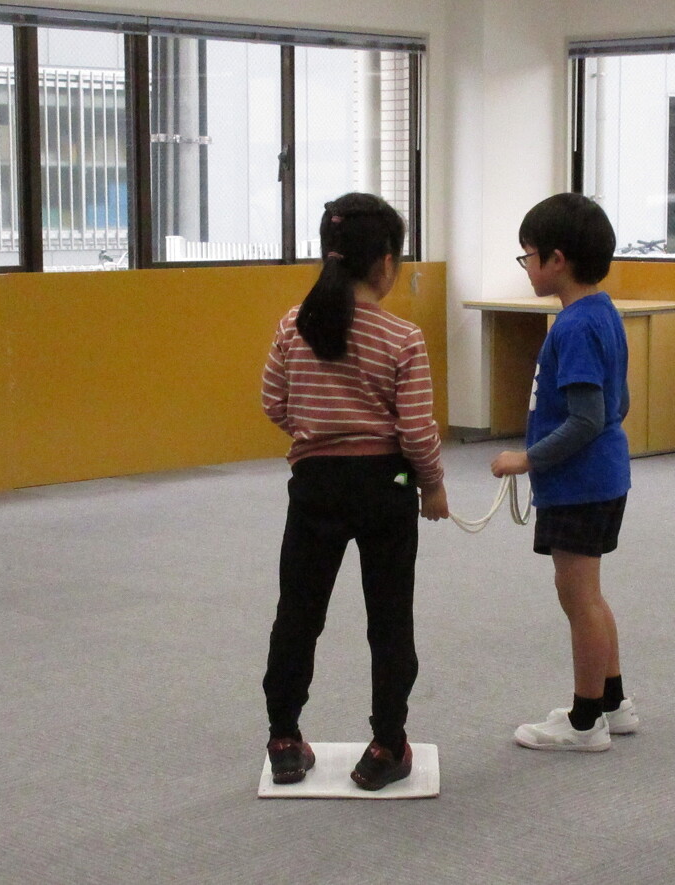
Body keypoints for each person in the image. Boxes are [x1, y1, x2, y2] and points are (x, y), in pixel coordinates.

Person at [261, 192, 449, 789]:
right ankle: (387, 747)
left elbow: (273, 403)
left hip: (313, 485)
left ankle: (284, 739)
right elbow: (416, 430)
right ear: (386, 263)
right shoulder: (402, 337)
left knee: (298, 613)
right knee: (389, 619)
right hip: (386, 486)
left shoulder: (293, 325)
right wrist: (433, 487)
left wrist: (317, 433)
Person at [491, 192, 639, 752]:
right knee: (589, 596)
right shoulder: (602, 312)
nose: (525, 266)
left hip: (580, 485)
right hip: (602, 478)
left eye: (527, 255)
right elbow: (618, 403)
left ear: (556, 259)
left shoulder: (573, 327)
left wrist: (526, 458)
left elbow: (587, 418)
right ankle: (612, 702)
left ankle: (583, 722)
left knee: (578, 600)